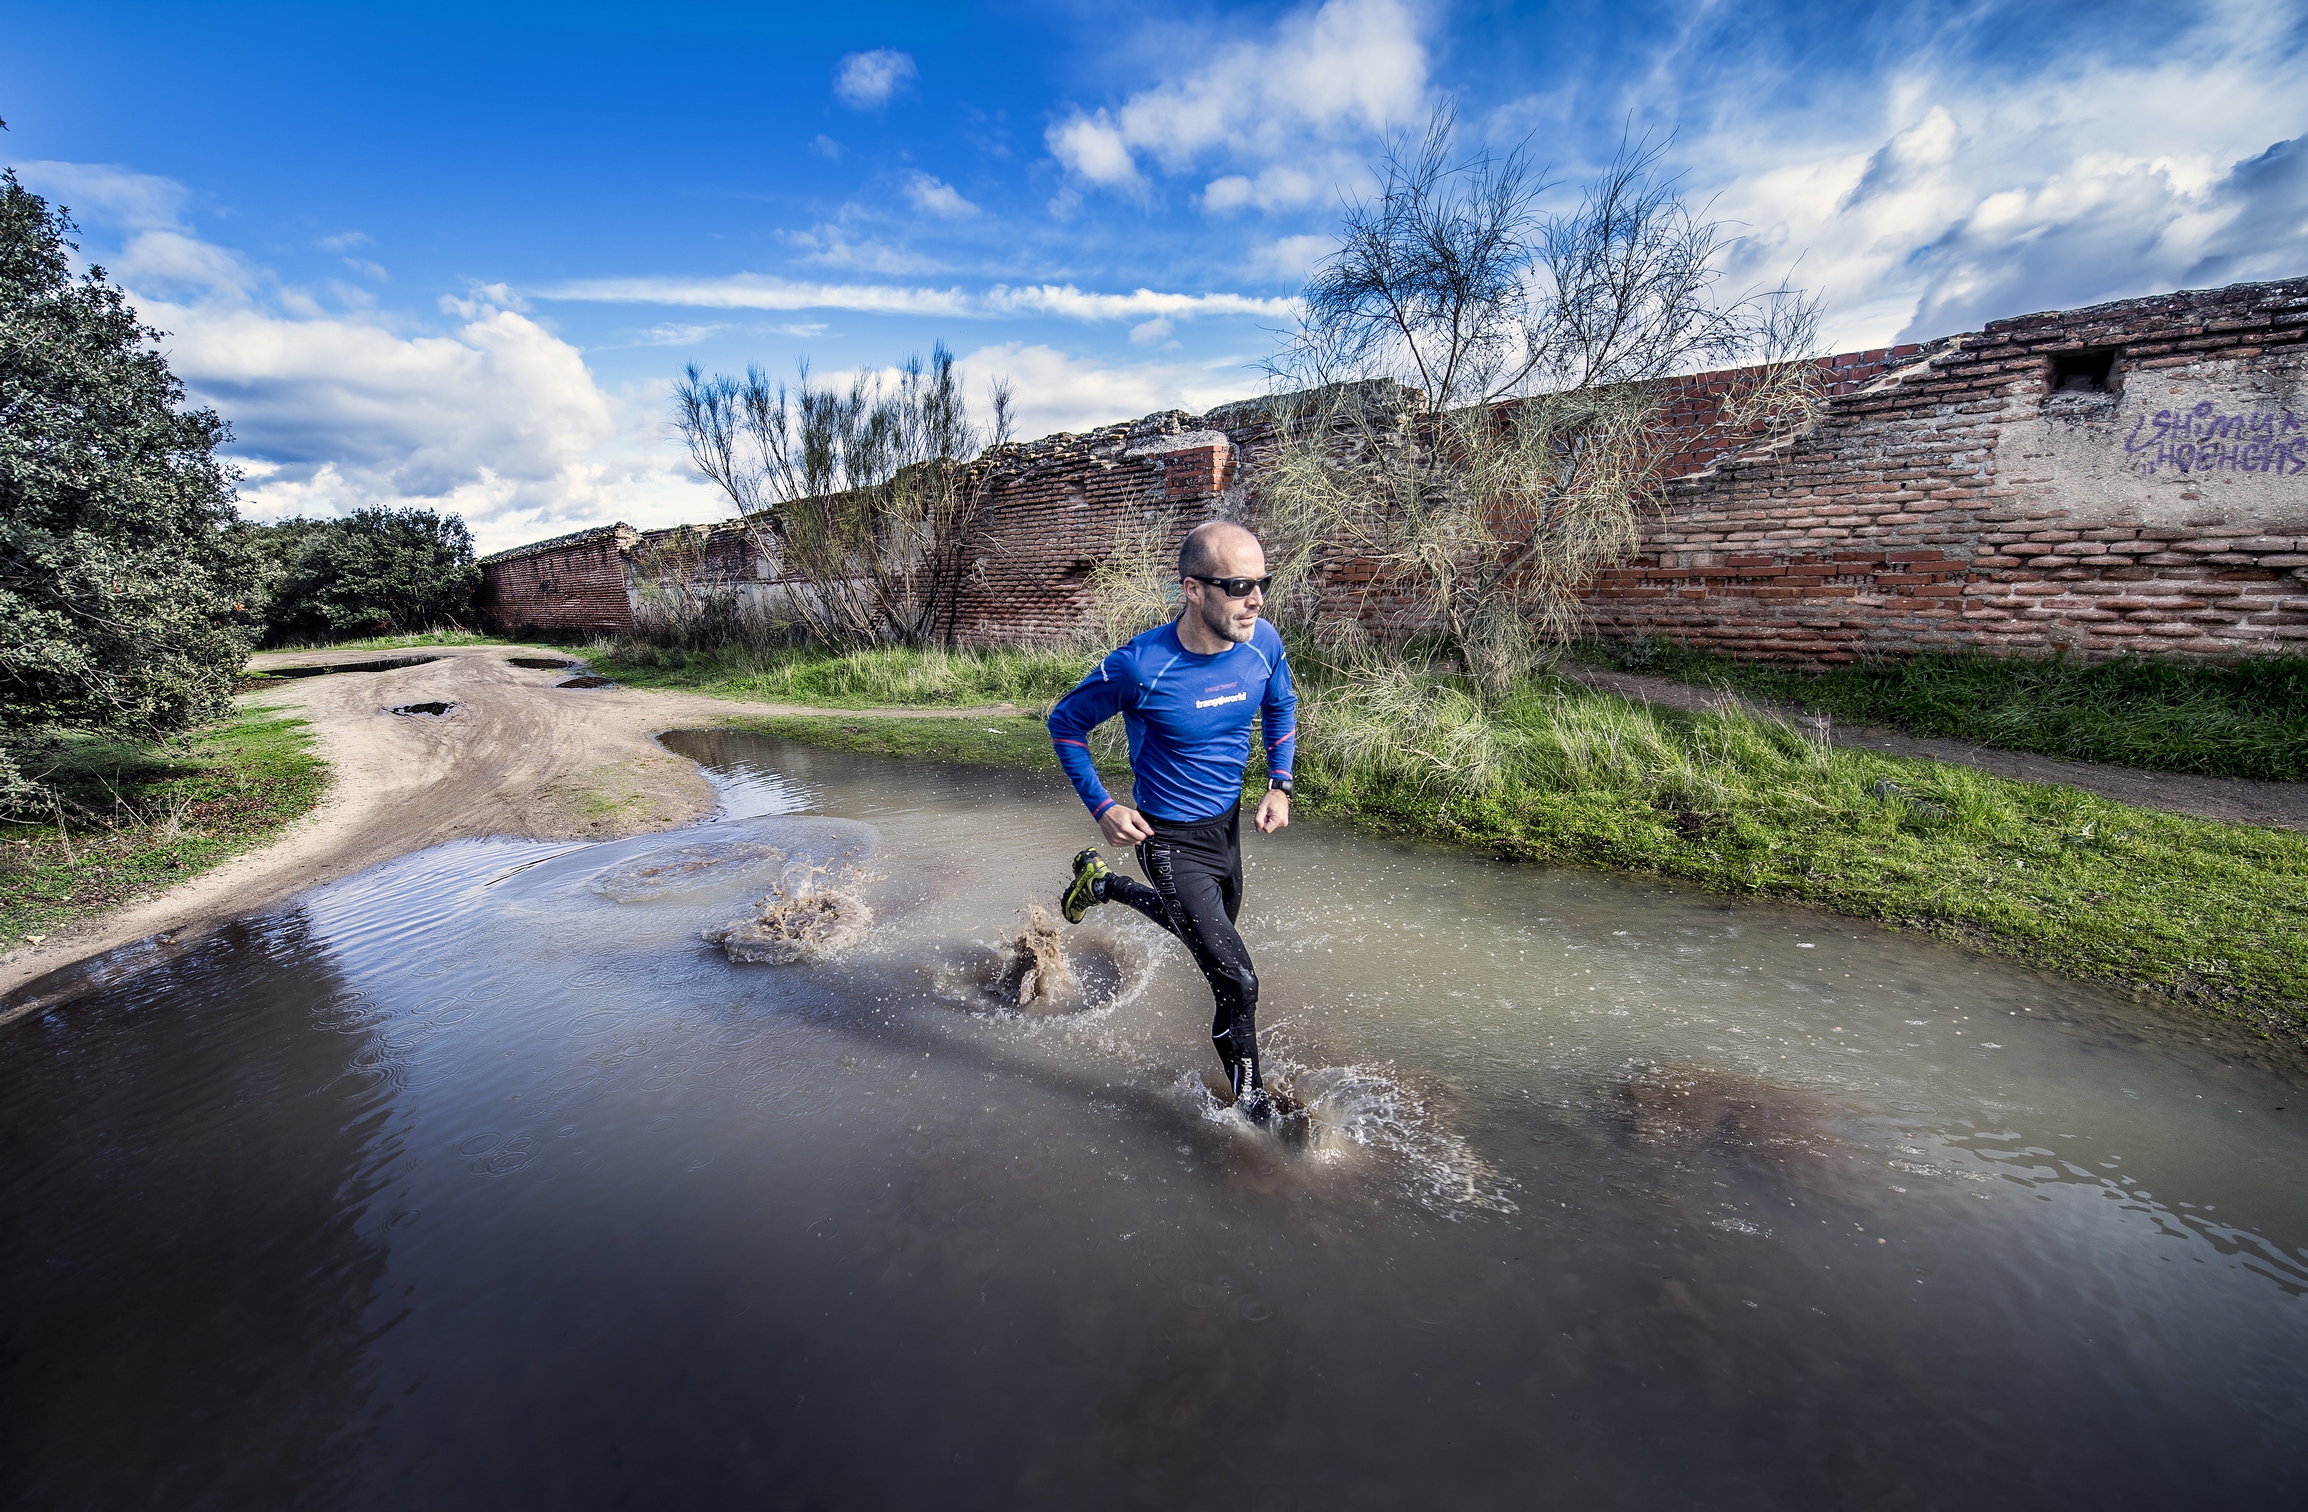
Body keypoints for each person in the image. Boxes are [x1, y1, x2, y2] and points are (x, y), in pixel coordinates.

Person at [1047, 519, 1297, 1117]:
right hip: (1168, 841)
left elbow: (1282, 703)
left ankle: (1103, 884)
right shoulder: (1140, 666)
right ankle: (1251, 1107)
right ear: (1192, 589)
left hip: (1226, 828)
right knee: (1237, 981)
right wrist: (1103, 805)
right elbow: (1065, 724)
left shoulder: (1261, 642)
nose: (1255, 600)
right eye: (1237, 586)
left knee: (1205, 945)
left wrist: (1280, 784)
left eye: (1262, 583)